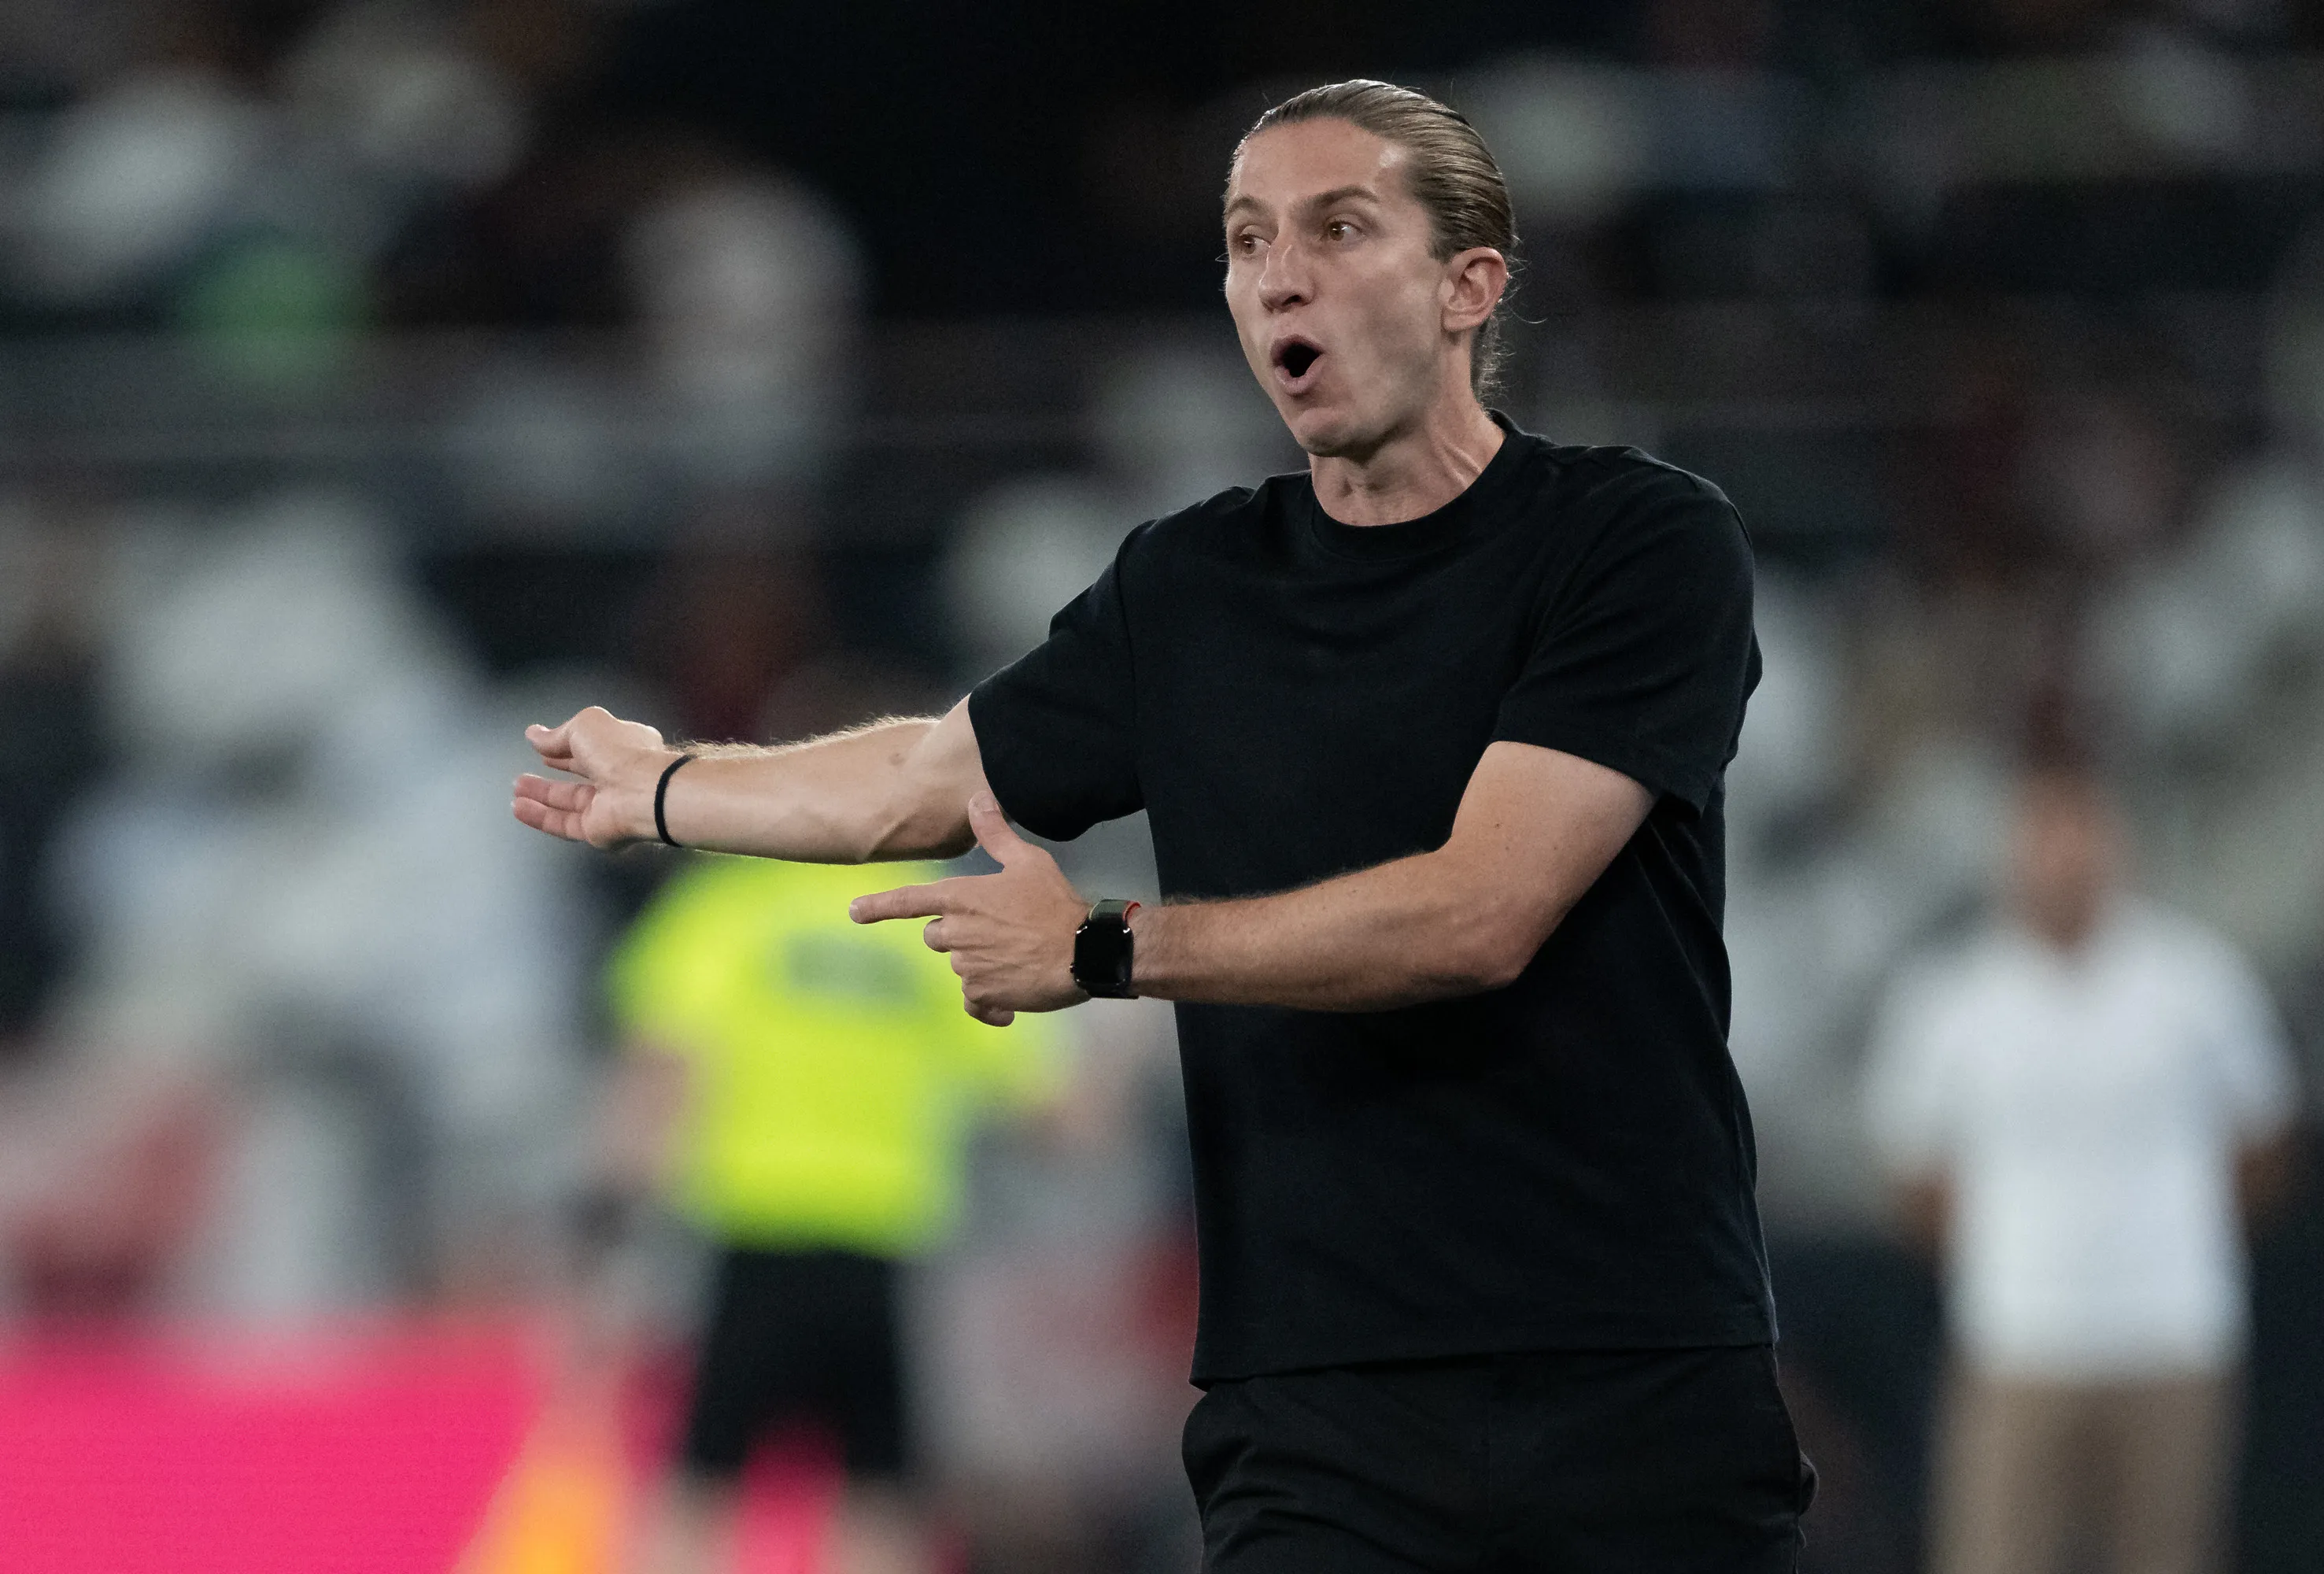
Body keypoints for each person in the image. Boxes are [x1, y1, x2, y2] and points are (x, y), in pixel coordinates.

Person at [516, 79, 1810, 1570]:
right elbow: (915, 782)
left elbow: (1483, 912)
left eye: (1338, 227)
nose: (1281, 273)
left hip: (1625, 1378)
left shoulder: (1633, 543)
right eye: (1248, 239)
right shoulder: (1192, 590)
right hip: (1313, 1409)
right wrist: (668, 787)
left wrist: (1105, 948)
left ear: (1472, 286)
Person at [1863, 765, 2296, 1574]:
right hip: (2018, 1337)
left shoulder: (2198, 982)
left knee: (2168, 1550)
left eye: (2081, 837)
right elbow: (1916, 1178)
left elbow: (2266, 1147)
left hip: (2172, 1331)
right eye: (2044, 840)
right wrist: (2019, 1250)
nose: (2064, 861)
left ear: (2117, 846)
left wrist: (2170, 1236)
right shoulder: (1952, 998)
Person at [595, 852, 1062, 1574]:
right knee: (882, 1487)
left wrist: (615, 1209)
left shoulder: (729, 907)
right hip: (881, 1240)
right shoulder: (940, 920)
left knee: (700, 1479)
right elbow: (1049, 1105)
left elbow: (664, 1067)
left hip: (755, 1233)